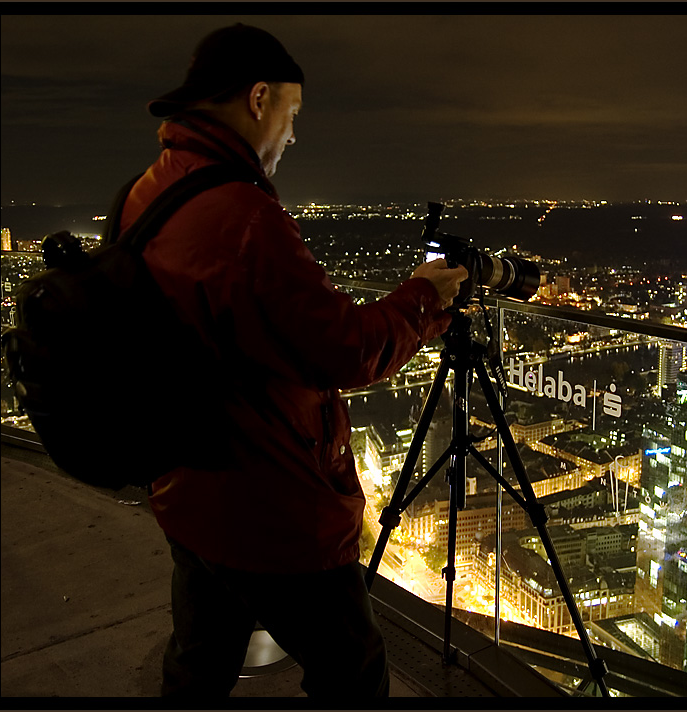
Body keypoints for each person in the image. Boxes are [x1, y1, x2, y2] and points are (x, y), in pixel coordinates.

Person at [125, 23, 467, 698]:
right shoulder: (244, 215)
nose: (292, 133)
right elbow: (349, 348)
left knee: (199, 662)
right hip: (271, 503)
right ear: (259, 100)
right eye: (293, 112)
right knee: (354, 673)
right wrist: (424, 297)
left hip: (189, 484)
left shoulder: (153, 190)